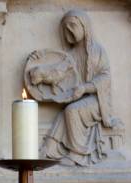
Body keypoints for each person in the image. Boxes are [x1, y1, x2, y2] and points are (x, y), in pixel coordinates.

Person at [42, 9, 120, 166]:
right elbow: (59, 72)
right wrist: (41, 71)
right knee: (65, 113)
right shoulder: (70, 55)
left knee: (72, 110)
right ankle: (49, 150)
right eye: (66, 28)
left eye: (72, 25)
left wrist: (85, 88)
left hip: (98, 101)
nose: (69, 30)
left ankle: (77, 154)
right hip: (80, 99)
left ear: (84, 26)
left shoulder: (97, 51)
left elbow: (105, 77)